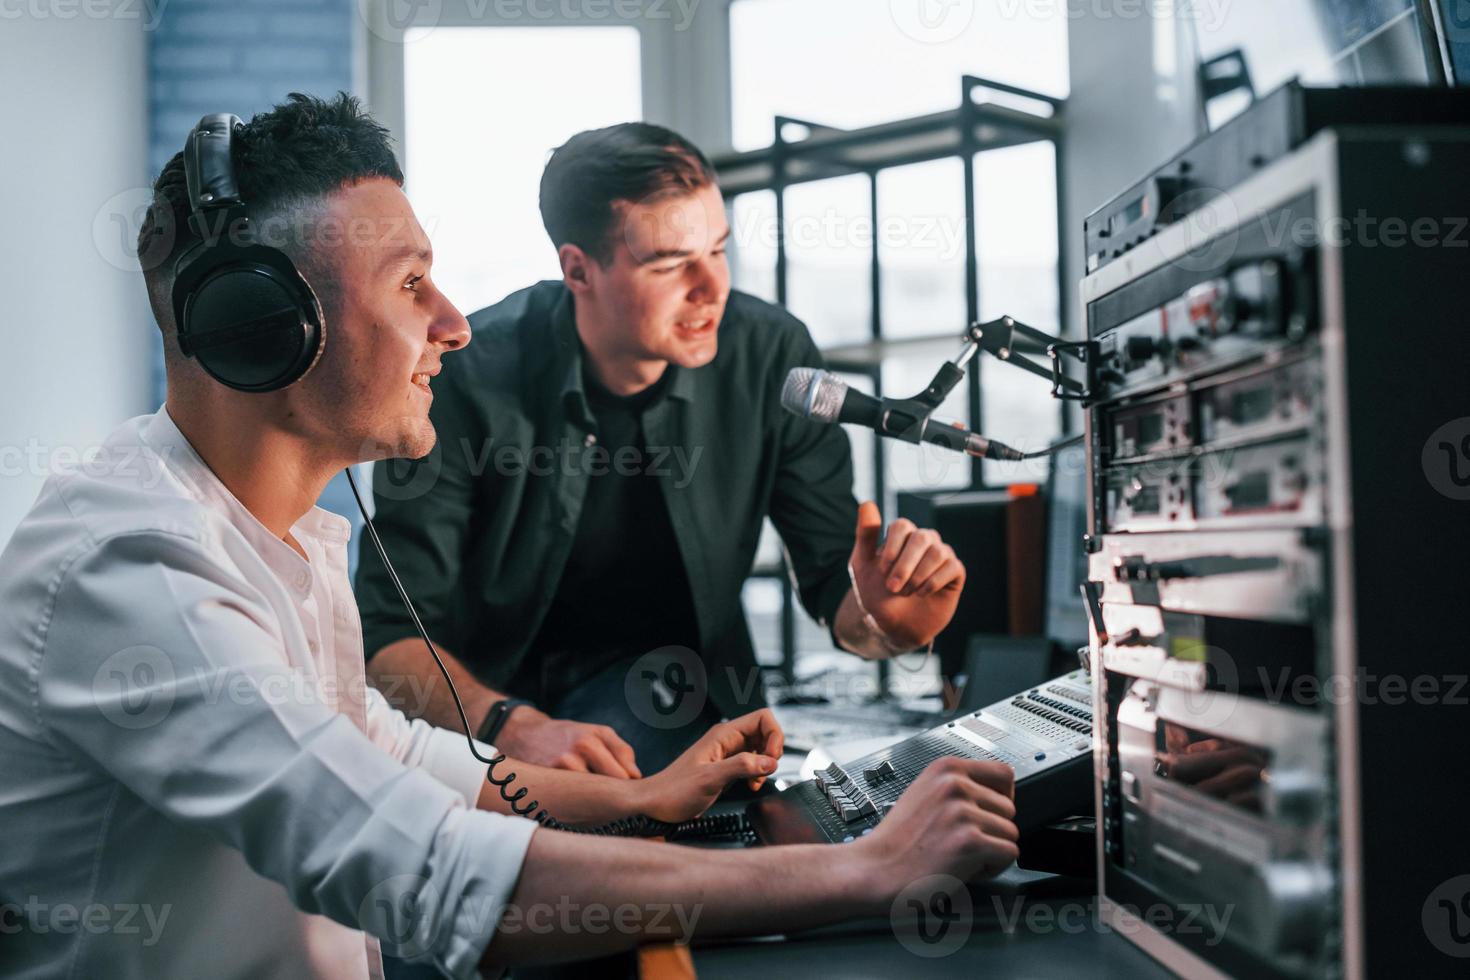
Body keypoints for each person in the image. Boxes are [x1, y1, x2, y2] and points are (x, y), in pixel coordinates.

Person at [0, 93, 1020, 979]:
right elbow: (424, 863)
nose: (452, 322)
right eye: (409, 285)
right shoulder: (138, 568)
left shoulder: (277, 540)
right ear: (262, 327)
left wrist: (651, 796)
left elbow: (396, 751)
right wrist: (862, 866)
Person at [357, 122, 968, 777]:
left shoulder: (771, 357)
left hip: (695, 711)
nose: (712, 288)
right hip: (495, 722)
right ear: (577, 269)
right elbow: (387, 636)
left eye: (719, 250)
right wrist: (511, 728)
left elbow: (834, 591)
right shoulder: (467, 374)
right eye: (671, 263)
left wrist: (890, 622)